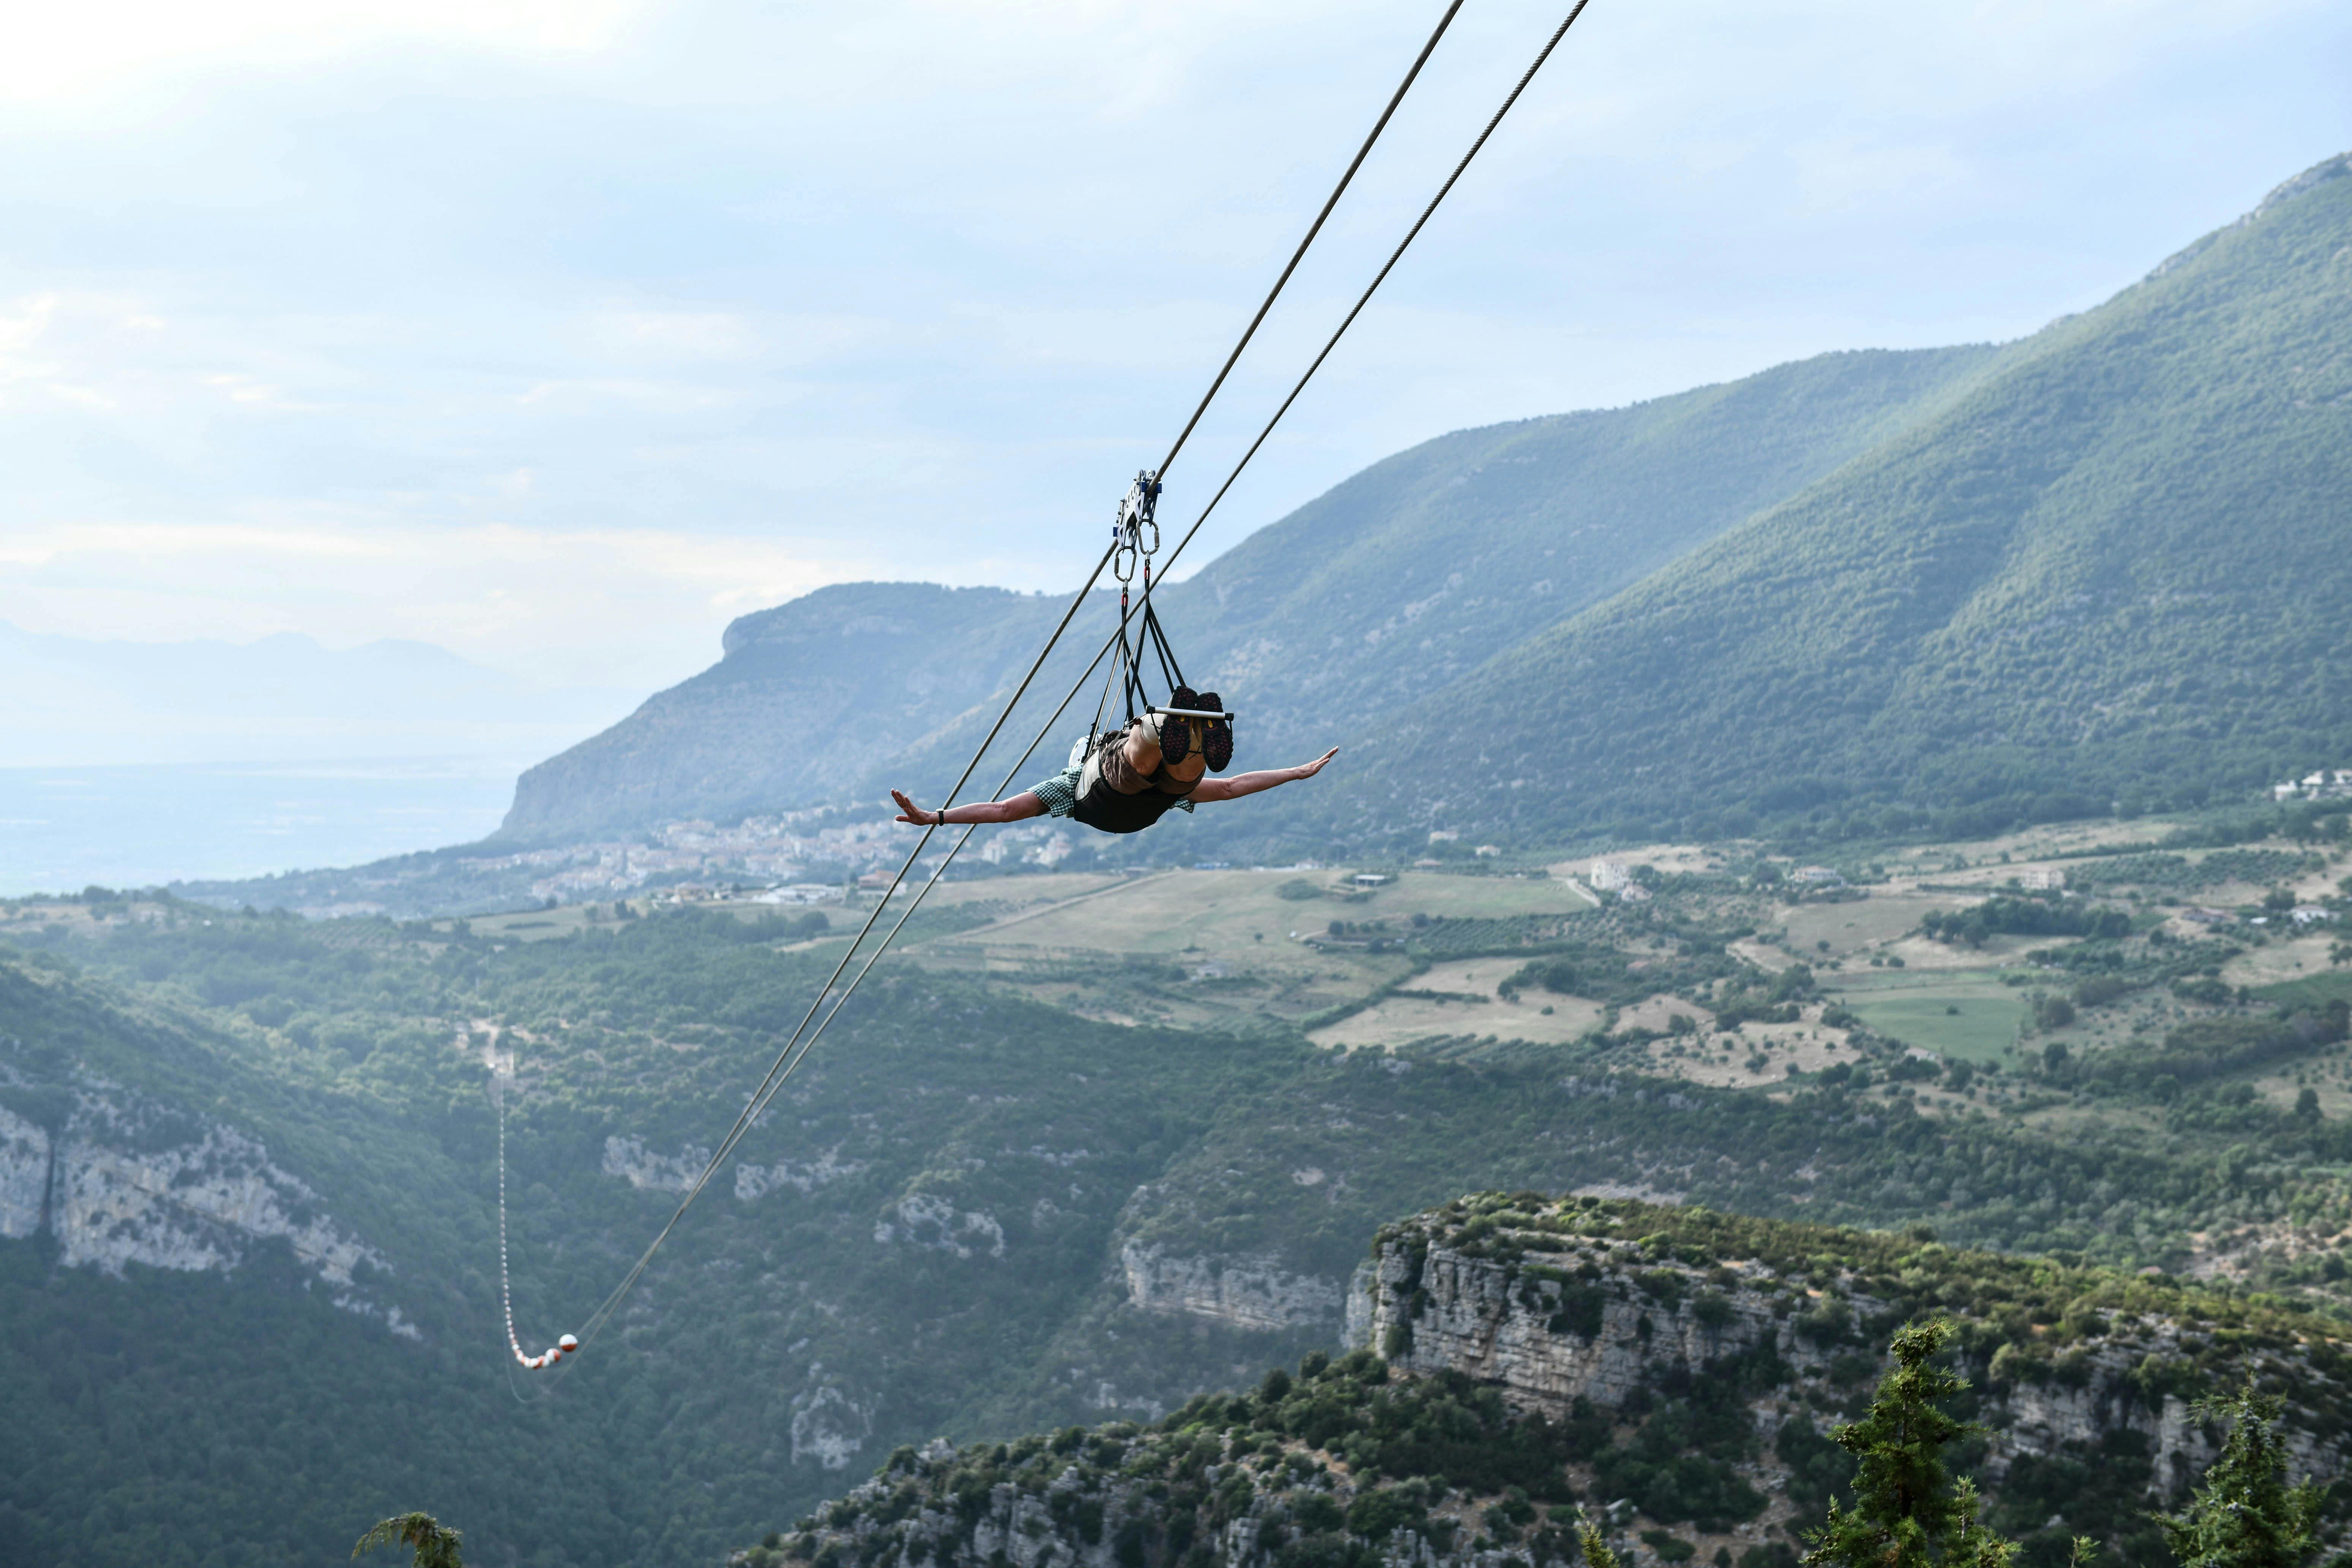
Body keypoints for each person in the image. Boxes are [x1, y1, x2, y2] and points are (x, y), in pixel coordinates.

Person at [891, 708, 1337, 836]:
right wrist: (1294, 772)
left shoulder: (1068, 787)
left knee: (1146, 765)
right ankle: (1183, 732)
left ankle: (1171, 729)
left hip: (1115, 796)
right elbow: (1232, 787)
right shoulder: (1077, 778)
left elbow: (1005, 809)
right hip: (1120, 788)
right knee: (1162, 772)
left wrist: (939, 816)